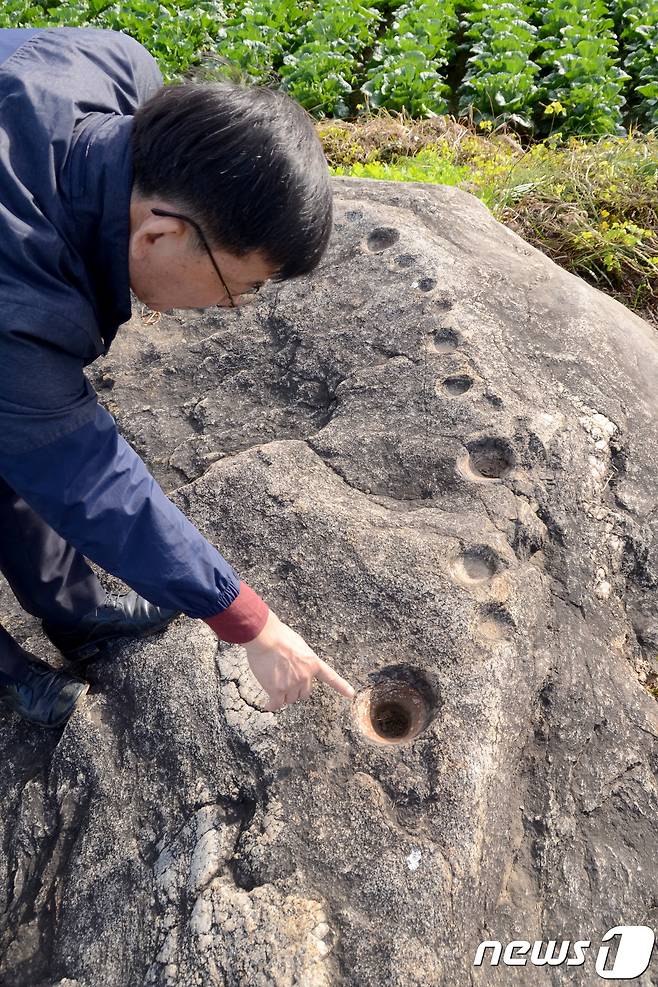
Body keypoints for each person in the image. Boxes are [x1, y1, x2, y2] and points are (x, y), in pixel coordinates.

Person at [0, 26, 355, 729]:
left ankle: (77, 615)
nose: (233, 306)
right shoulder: (17, 312)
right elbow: (89, 478)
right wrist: (249, 620)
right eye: (239, 284)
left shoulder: (117, 67)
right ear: (159, 234)